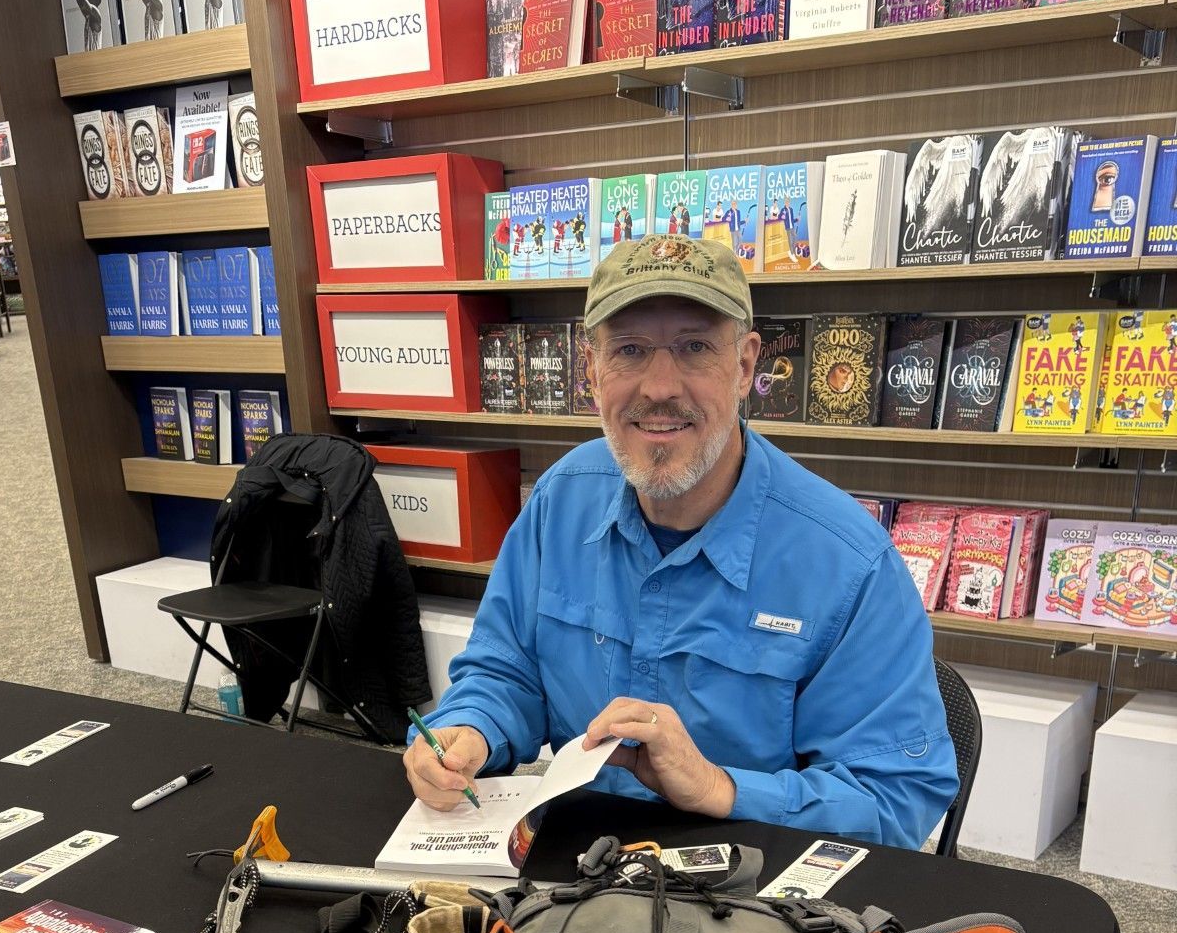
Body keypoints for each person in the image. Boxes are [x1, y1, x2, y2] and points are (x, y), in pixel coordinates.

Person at [404, 234, 958, 849]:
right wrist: (470, 729)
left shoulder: (849, 563)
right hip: (577, 873)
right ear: (591, 370)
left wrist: (719, 787)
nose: (660, 386)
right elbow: (505, 670)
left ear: (746, 366)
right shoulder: (559, 502)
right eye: (630, 350)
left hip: (750, 894)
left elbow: (894, 798)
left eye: (694, 347)